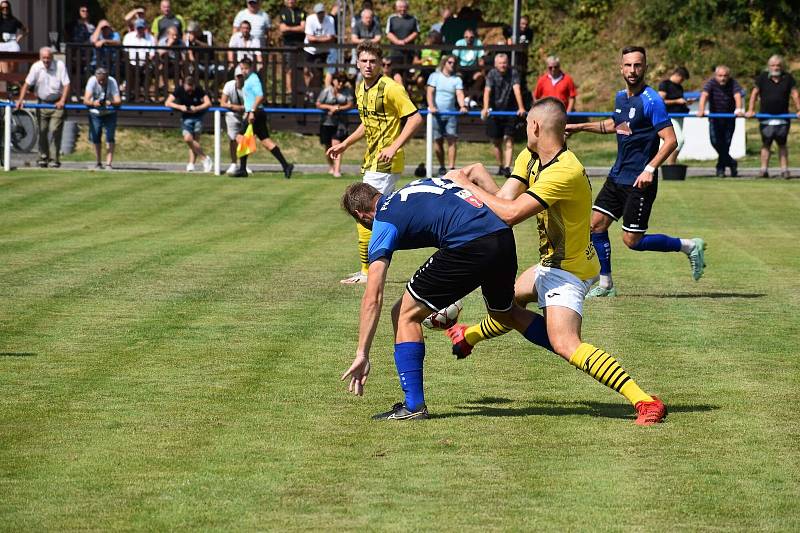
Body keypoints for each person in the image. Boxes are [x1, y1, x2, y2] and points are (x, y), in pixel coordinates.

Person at [443, 97, 666, 426]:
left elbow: (509, 215)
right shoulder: (530, 156)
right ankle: (468, 336)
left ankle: (645, 400)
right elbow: (504, 200)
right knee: (506, 302)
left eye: (526, 125)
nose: (524, 130)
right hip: (550, 264)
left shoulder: (565, 171)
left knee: (565, 343)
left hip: (570, 272)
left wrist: (463, 185)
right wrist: (479, 175)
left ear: (535, 126)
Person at [339, 177, 558, 420]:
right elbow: (462, 180)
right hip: (501, 236)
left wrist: (362, 353)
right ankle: (569, 346)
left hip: (469, 243)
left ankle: (413, 407)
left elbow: (373, 296)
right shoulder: (416, 185)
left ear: (361, 215)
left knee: (404, 314)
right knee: (505, 313)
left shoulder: (383, 220)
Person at [565, 46, 706, 297]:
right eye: (628, 65)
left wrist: (650, 169)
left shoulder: (652, 101)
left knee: (632, 241)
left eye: (638, 65)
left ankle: (689, 246)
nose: (633, 70)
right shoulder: (621, 97)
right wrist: (579, 127)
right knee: (596, 225)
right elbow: (616, 126)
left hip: (640, 180)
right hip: (617, 175)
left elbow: (670, 140)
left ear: (645, 68)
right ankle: (606, 284)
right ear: (621, 68)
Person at [327, 42, 423, 285]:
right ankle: (372, 266)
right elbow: (366, 124)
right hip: (371, 160)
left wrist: (394, 146)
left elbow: (415, 118)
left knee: (363, 212)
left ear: (381, 64)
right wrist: (345, 144)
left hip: (386, 161)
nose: (368, 65)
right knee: (377, 214)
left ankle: (368, 271)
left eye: (373, 61)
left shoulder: (391, 88)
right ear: (357, 63)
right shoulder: (361, 89)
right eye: (364, 61)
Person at [231, 57, 295, 179]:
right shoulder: (248, 79)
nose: (243, 71)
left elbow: (260, 96)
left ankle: (243, 169)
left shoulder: (254, 79)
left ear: (250, 68)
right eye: (242, 68)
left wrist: (252, 111)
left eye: (245, 68)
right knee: (266, 141)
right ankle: (286, 166)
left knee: (240, 137)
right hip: (257, 112)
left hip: (255, 112)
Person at [745, 55, 800, 179]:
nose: (776, 68)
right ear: (769, 66)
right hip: (766, 117)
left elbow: (795, 94)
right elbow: (754, 93)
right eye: (773, 65)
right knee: (766, 144)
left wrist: (799, 110)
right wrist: (751, 109)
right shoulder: (762, 78)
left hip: (783, 118)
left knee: (782, 144)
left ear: (782, 66)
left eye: (778, 65)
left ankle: (784, 170)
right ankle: (763, 170)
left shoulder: (788, 78)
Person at [16, 47, 71, 168]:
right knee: (42, 130)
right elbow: (27, 84)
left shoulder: (60, 66)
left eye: (48, 58)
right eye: (44, 58)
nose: (46, 60)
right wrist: (20, 99)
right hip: (42, 103)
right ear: (40, 58)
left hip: (57, 103)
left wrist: (62, 100)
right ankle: (43, 157)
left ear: (52, 57)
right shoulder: (36, 67)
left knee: (54, 130)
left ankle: (54, 159)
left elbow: (67, 84)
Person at [482, 53, 526, 177]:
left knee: (508, 139)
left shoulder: (513, 73)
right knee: (496, 141)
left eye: (505, 63)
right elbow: (487, 91)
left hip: (510, 111)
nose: (503, 65)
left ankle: (507, 167)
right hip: (495, 111)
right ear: (496, 64)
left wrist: (521, 107)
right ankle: (500, 165)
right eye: (500, 63)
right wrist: (485, 107)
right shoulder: (491, 74)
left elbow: (517, 89)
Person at [697, 65, 744, 177]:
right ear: (715, 75)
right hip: (715, 119)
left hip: (729, 119)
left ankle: (720, 169)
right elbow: (704, 95)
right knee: (715, 142)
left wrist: (738, 109)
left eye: (725, 76)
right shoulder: (711, 83)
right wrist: (701, 110)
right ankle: (732, 163)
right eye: (720, 76)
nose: (723, 78)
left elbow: (737, 95)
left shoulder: (733, 83)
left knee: (726, 144)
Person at [427, 55, 467, 175]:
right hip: (436, 114)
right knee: (437, 141)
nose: (452, 65)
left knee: (452, 140)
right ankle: (442, 166)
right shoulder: (435, 76)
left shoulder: (457, 79)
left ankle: (451, 168)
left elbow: (459, 94)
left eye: (454, 63)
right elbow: (429, 92)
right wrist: (432, 106)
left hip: (451, 114)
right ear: (444, 63)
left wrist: (462, 106)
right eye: (449, 62)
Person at [165, 75, 213, 173]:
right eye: (188, 89)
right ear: (184, 85)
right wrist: (180, 107)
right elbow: (167, 103)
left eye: (192, 88)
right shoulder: (179, 90)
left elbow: (208, 103)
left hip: (198, 117)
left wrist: (197, 108)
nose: (190, 91)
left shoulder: (199, 89)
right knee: (188, 139)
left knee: (195, 141)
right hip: (186, 117)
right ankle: (204, 158)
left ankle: (191, 164)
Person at [316, 72, 354, 177]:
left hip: (340, 123)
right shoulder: (326, 91)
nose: (340, 84)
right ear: (333, 81)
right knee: (328, 147)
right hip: (326, 122)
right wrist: (329, 107)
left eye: (343, 82)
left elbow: (350, 104)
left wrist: (337, 108)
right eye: (339, 81)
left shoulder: (347, 92)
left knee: (337, 145)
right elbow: (318, 104)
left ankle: (337, 170)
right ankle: (332, 167)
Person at [83, 68, 121, 169]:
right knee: (96, 136)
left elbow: (118, 100)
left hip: (110, 112)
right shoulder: (91, 81)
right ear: (96, 77)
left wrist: (111, 102)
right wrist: (93, 103)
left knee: (110, 137)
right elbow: (86, 100)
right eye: (99, 80)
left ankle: (108, 163)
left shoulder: (112, 82)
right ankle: (98, 162)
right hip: (95, 112)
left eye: (103, 80)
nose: (101, 82)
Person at [657, 66, 692, 165]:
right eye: (682, 79)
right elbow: (660, 101)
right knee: (679, 140)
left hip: (679, 116)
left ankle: (670, 163)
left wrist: (686, 102)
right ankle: (671, 164)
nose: (682, 81)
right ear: (677, 75)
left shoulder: (679, 87)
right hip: (669, 116)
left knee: (674, 141)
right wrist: (677, 101)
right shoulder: (665, 84)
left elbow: (679, 101)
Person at [220, 66, 249, 176]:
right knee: (232, 139)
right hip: (232, 113)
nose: (240, 79)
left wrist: (243, 109)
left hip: (245, 113)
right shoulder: (229, 85)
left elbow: (251, 103)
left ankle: (244, 164)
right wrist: (235, 107)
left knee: (245, 139)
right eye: (238, 77)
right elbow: (223, 103)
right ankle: (233, 163)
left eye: (242, 76)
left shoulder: (248, 86)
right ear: (235, 77)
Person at [385, 0, 420, 84]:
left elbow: (416, 32)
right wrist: (397, 41)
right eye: (400, 7)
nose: (402, 9)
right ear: (396, 8)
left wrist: (405, 41)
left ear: (407, 7)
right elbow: (388, 33)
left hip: (409, 52)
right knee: (395, 72)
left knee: (408, 75)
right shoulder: (392, 18)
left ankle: (405, 93)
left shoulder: (413, 19)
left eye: (404, 7)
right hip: (395, 52)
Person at [303, 3, 336, 90]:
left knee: (318, 74)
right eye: (318, 13)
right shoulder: (310, 19)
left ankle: (316, 92)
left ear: (324, 12)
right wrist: (324, 38)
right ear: (315, 13)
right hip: (309, 50)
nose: (320, 15)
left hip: (322, 51)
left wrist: (316, 39)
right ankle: (307, 91)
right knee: (307, 72)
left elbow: (331, 38)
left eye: (322, 13)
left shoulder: (330, 19)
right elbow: (310, 38)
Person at [122, 18, 156, 101]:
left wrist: (146, 62)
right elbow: (125, 51)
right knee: (129, 70)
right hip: (131, 63)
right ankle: (130, 94)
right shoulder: (128, 37)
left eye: (141, 28)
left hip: (145, 64)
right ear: (135, 28)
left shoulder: (151, 38)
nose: (140, 30)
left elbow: (152, 54)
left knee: (149, 70)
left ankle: (145, 95)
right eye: (138, 28)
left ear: (145, 28)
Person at [279, 0, 306, 94]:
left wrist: (289, 28)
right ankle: (289, 91)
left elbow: (303, 28)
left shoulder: (301, 12)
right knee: (289, 68)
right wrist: (296, 28)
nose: (291, 1)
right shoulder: (283, 12)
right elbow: (282, 29)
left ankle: (303, 91)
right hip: (288, 44)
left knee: (303, 69)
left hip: (301, 44)